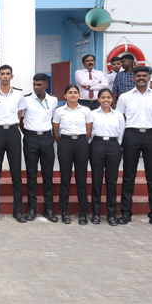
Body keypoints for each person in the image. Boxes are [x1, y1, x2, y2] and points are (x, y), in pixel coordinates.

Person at [115, 66, 152, 227]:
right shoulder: (125, 97)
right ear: (133, 78)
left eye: (144, 75)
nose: (142, 78)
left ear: (149, 78)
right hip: (131, 135)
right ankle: (126, 212)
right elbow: (120, 118)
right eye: (138, 76)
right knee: (128, 175)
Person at [0, 64, 25, 222]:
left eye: (8, 74)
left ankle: (18, 211)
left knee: (16, 173)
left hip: (13, 132)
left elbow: (19, 114)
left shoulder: (19, 94)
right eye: (2, 74)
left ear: (11, 76)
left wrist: (11, 126)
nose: (5, 76)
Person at [52, 85, 93, 225]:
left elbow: (89, 131)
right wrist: (63, 143)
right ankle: (64, 211)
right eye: (70, 92)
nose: (73, 95)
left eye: (75, 92)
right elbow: (55, 131)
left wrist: (81, 142)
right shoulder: (59, 111)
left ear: (79, 95)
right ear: (65, 95)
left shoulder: (86, 110)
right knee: (65, 178)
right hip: (65, 143)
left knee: (81, 179)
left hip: (81, 142)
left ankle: (83, 212)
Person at [20, 73, 58, 222]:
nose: (36, 87)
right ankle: (32, 209)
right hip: (30, 138)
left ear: (46, 86)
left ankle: (49, 209)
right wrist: (29, 134)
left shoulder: (53, 100)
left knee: (48, 175)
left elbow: (54, 119)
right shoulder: (26, 100)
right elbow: (20, 120)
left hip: (47, 138)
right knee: (31, 175)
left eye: (39, 85)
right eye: (34, 84)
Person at [89, 88, 124, 226]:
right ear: (98, 99)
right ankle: (96, 213)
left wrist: (116, 145)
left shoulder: (118, 115)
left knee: (111, 181)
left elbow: (121, 133)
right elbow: (89, 131)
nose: (106, 100)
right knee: (96, 181)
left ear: (112, 99)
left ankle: (111, 214)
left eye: (108, 97)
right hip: (97, 144)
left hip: (113, 145)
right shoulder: (92, 114)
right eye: (103, 97)